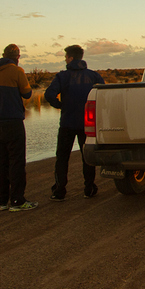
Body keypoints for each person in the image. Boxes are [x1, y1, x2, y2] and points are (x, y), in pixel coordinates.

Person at [45, 44, 105, 200]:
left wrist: (60, 105)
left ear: (70, 58)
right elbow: (104, 95)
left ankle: (60, 190)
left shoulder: (62, 76)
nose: (65, 59)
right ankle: (89, 187)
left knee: (62, 157)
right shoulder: (93, 76)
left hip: (67, 123)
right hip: (87, 124)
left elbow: (49, 95)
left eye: (66, 57)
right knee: (87, 157)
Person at [0, 44, 37, 211]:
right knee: (17, 161)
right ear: (17, 57)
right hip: (13, 121)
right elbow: (27, 93)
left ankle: (0, 200)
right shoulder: (17, 71)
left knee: (1, 161)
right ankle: (17, 200)